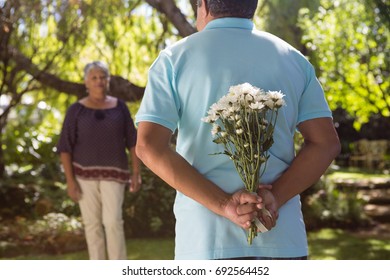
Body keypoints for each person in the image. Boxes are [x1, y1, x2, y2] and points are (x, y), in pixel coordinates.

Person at [135, 0, 340, 260]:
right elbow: (325, 143)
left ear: (205, 5)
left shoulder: (174, 58)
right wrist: (275, 197)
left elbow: (148, 146)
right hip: (281, 239)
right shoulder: (293, 59)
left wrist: (224, 205)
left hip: (205, 240)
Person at [56, 61, 141, 260]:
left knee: (113, 222)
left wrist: (136, 173)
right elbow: (65, 148)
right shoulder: (76, 110)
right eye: (94, 77)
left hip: (115, 173)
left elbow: (133, 142)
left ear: (108, 80)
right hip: (84, 176)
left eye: (103, 77)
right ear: (86, 82)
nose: (99, 81)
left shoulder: (120, 107)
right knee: (92, 224)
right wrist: (70, 181)